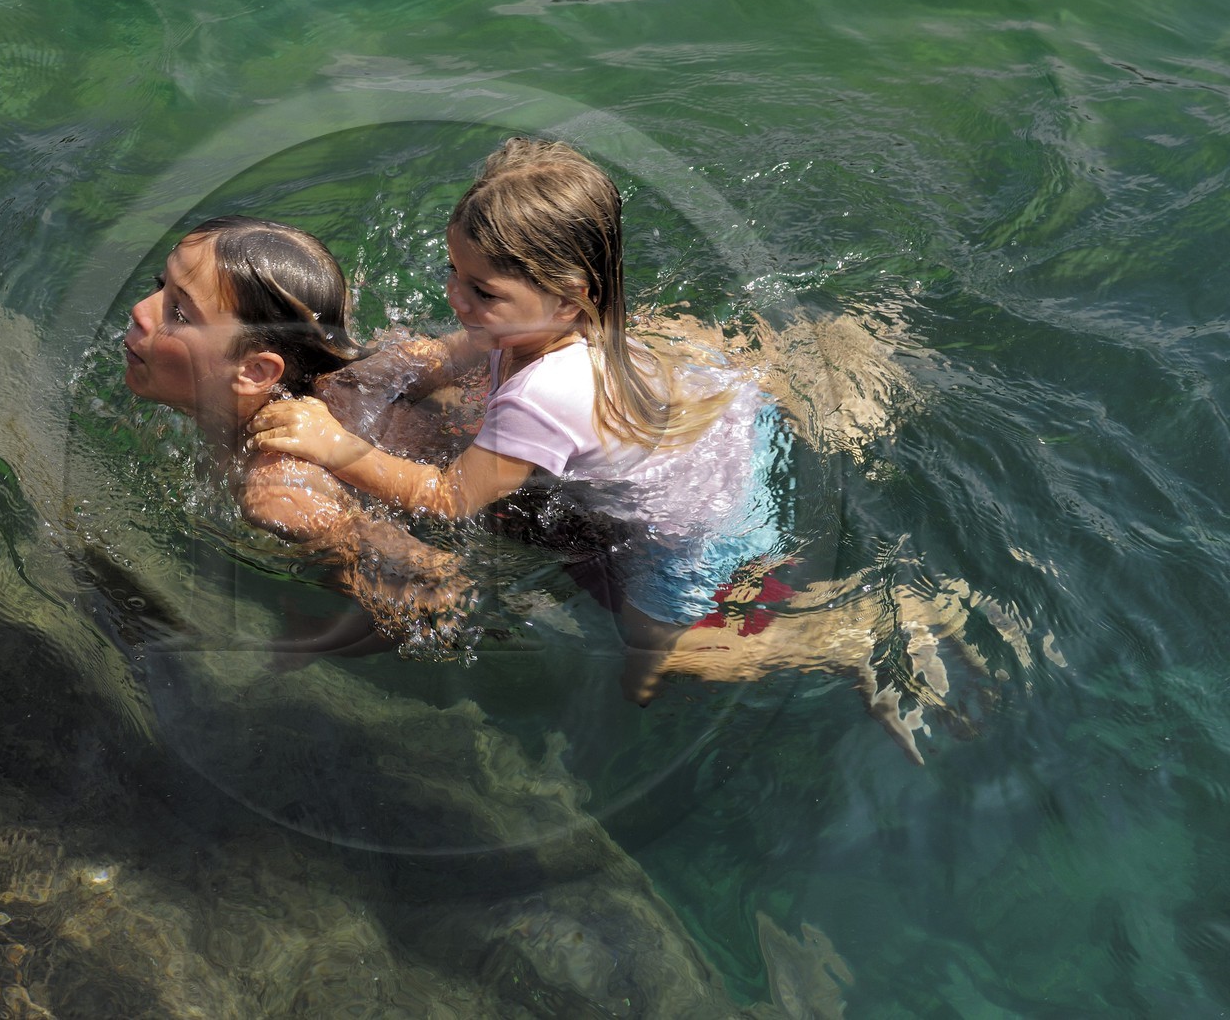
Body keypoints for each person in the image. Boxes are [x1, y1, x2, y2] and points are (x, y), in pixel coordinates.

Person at [247, 138, 800, 703]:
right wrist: (356, 379)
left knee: (650, 651)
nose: (455, 297)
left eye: (482, 291)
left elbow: (449, 497)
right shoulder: (546, 328)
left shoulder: (545, 394)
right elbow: (444, 356)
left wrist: (334, 445)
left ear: (567, 299)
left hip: (696, 524)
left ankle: (831, 641)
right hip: (723, 422)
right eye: (454, 271)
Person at [122, 214, 474, 658]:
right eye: (161, 284)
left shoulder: (279, 490)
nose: (141, 310)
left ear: (255, 372)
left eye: (179, 313)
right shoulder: (363, 373)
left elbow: (440, 592)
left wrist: (322, 642)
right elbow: (477, 346)